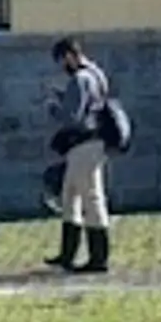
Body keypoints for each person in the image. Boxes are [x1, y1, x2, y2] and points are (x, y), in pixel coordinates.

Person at [44, 38, 114, 274]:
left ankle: (98, 257)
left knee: (91, 197)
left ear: (70, 56)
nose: (62, 66)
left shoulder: (80, 79)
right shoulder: (96, 74)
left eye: (62, 60)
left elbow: (72, 117)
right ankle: (67, 253)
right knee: (69, 195)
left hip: (84, 144)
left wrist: (55, 106)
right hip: (92, 143)